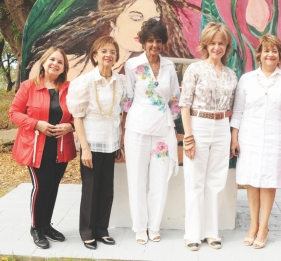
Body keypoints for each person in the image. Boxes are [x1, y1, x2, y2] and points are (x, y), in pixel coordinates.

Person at [230, 35, 281, 249]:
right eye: (266, 50)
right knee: (252, 181)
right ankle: (253, 225)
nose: (270, 54)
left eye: (274, 51)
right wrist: (234, 136)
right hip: (249, 137)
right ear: (259, 54)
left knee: (269, 182)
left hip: (277, 138)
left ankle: (264, 227)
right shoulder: (247, 79)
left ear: (279, 56)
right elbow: (239, 111)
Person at [25, 0, 200, 79]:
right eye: (136, 17)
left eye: (152, 22)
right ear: (113, 20)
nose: (144, 29)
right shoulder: (64, 65)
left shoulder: (139, 72)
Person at [8, 47, 76, 249]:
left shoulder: (69, 88)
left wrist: (70, 126)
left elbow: (78, 114)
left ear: (64, 67)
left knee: (53, 187)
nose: (55, 64)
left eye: (60, 62)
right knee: (42, 186)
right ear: (44, 62)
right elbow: (13, 113)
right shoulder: (29, 86)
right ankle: (36, 228)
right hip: (35, 147)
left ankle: (46, 225)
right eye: (52, 60)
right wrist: (36, 124)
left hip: (61, 146)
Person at [179, 22, 237, 251]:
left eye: (221, 43)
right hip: (199, 124)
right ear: (205, 44)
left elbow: (235, 108)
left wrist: (233, 136)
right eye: (212, 43)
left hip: (222, 126)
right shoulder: (195, 69)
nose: (217, 47)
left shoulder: (232, 75)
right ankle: (192, 233)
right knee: (195, 181)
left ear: (226, 46)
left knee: (216, 181)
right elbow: (184, 105)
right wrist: (189, 137)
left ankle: (212, 232)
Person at [122, 18, 180, 245]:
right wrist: (122, 131)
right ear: (143, 42)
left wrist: (169, 120)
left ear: (163, 43)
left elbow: (175, 99)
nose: (154, 45)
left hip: (162, 132)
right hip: (136, 129)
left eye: (158, 41)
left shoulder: (169, 66)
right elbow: (127, 99)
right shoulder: (132, 65)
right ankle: (139, 227)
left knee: (159, 180)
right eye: (150, 41)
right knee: (136, 180)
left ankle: (154, 226)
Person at [66, 36, 125, 250]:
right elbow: (78, 117)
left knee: (107, 189)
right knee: (91, 189)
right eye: (103, 51)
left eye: (112, 51)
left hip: (111, 144)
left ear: (116, 57)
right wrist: (85, 149)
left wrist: (120, 143)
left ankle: (102, 229)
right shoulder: (84, 82)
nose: (108, 55)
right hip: (91, 144)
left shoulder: (121, 81)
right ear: (95, 55)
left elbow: (120, 114)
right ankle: (87, 231)